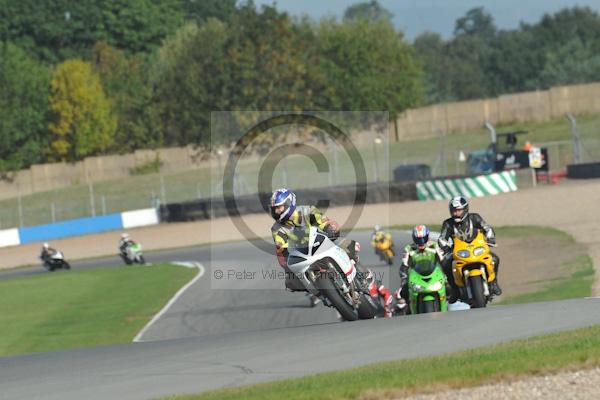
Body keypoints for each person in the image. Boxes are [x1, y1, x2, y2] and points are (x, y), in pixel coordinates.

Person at [269, 188, 361, 297]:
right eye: (274, 209)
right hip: (301, 255)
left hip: (321, 243)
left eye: (279, 207)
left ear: (289, 203)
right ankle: (320, 293)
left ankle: (361, 275)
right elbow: (281, 249)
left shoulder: (307, 211)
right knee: (290, 282)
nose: (276, 211)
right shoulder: (276, 229)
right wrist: (286, 264)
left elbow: (323, 221)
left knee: (351, 246)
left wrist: (330, 228)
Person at [438, 196, 502, 302]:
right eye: (453, 211)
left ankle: (494, 283)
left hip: (477, 248)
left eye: (458, 210)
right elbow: (442, 238)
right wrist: (446, 247)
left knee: (495, 259)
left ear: (465, 209)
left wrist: (490, 238)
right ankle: (455, 290)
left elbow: (487, 228)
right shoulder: (448, 223)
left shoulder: (475, 218)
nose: (456, 213)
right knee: (445, 264)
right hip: (459, 252)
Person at [397, 225, 442, 311]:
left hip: (434, 274)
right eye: (418, 239)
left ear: (428, 237)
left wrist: (446, 274)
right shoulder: (409, 248)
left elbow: (443, 259)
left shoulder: (434, 246)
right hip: (416, 276)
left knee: (449, 286)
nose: (421, 242)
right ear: (414, 238)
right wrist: (404, 280)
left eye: (423, 238)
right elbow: (404, 265)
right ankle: (409, 308)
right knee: (404, 291)